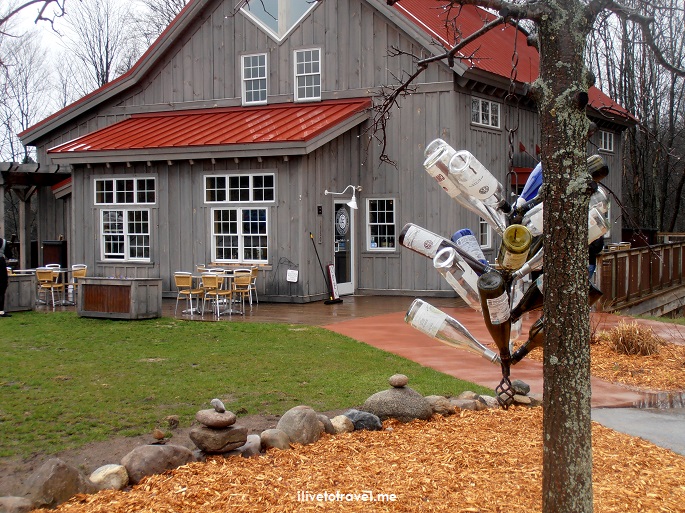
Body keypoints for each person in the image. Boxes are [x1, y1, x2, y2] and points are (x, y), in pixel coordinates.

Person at [0, 237, 10, 317]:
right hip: (1, 266)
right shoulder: (3, 242)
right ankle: (1, 311)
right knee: (1, 289)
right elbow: (9, 255)